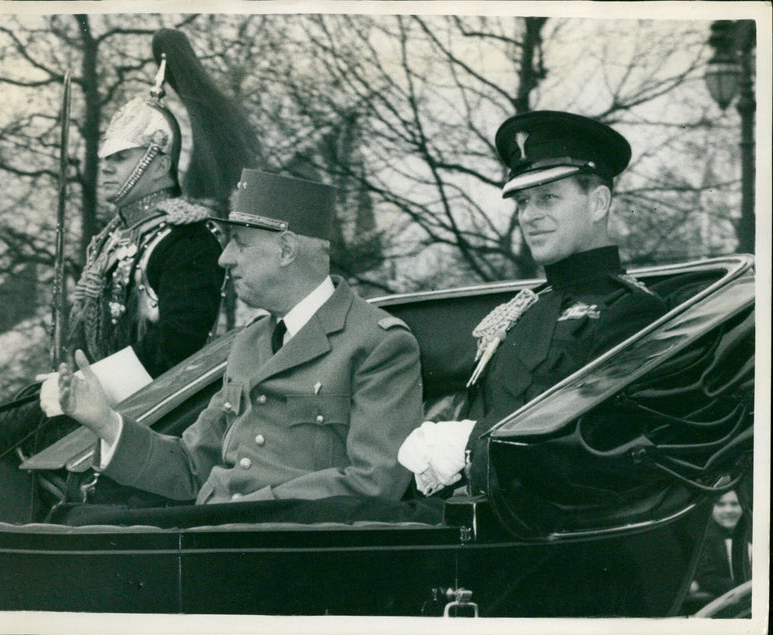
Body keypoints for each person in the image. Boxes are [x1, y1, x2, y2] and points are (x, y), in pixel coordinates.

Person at [45, 169, 424, 504]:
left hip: (294, 555)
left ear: (287, 249)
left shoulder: (379, 344)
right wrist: (105, 422)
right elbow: (192, 468)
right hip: (222, 541)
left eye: (239, 244)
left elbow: (376, 483)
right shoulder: (251, 341)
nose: (224, 258)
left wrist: (250, 508)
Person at [398, 111, 668, 496]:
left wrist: (466, 442)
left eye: (548, 198)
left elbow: (593, 444)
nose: (530, 216)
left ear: (598, 203)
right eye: (523, 201)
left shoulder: (633, 312)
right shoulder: (526, 311)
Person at [42, 30, 262, 410]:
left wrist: (83, 393)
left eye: (120, 159)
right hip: (96, 409)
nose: (106, 170)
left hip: (162, 416)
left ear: (160, 165)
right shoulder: (110, 240)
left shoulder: (188, 237)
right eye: (106, 160)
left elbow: (177, 347)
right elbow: (86, 337)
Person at [691, 490, 751, 598]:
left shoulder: (753, 534)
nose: (728, 510)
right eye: (720, 504)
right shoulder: (703, 540)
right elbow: (706, 579)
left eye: (734, 504)